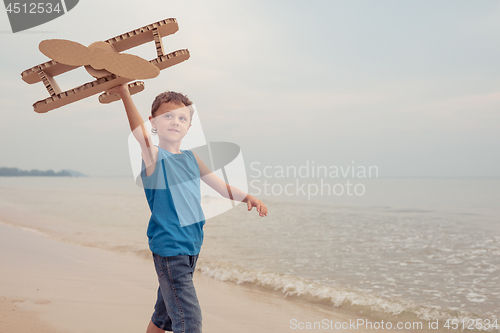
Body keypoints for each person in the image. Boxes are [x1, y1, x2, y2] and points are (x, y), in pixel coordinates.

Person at [108, 84, 268, 333]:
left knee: (163, 316)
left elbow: (220, 186)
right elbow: (140, 135)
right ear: (153, 122)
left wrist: (247, 196)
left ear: (189, 126)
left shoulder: (192, 158)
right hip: (170, 248)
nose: (175, 121)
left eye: (182, 118)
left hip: (192, 246)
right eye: (167, 116)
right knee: (189, 322)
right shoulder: (154, 156)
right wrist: (124, 92)